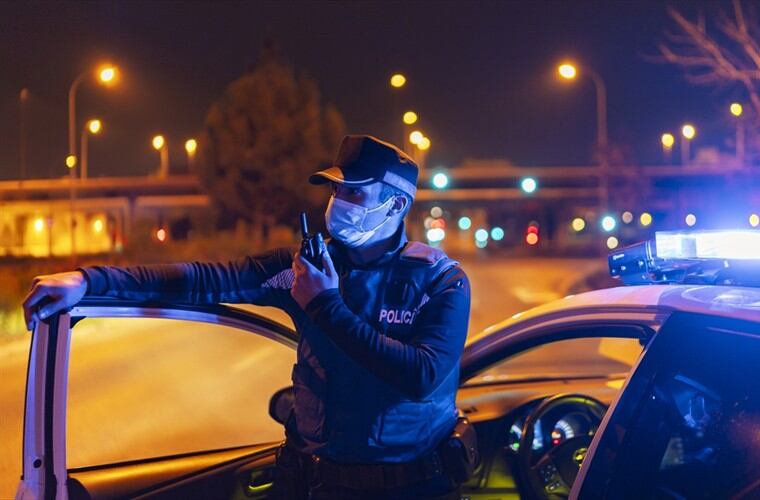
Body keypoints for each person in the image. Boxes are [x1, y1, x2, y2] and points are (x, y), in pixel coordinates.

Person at [22, 135, 472, 499]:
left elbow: (422, 376)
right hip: (316, 484)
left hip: (413, 488)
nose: (337, 201)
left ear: (395, 206)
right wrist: (89, 281)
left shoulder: (441, 281)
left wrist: (324, 304)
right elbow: (201, 280)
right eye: (335, 189)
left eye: (354, 191)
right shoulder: (305, 268)